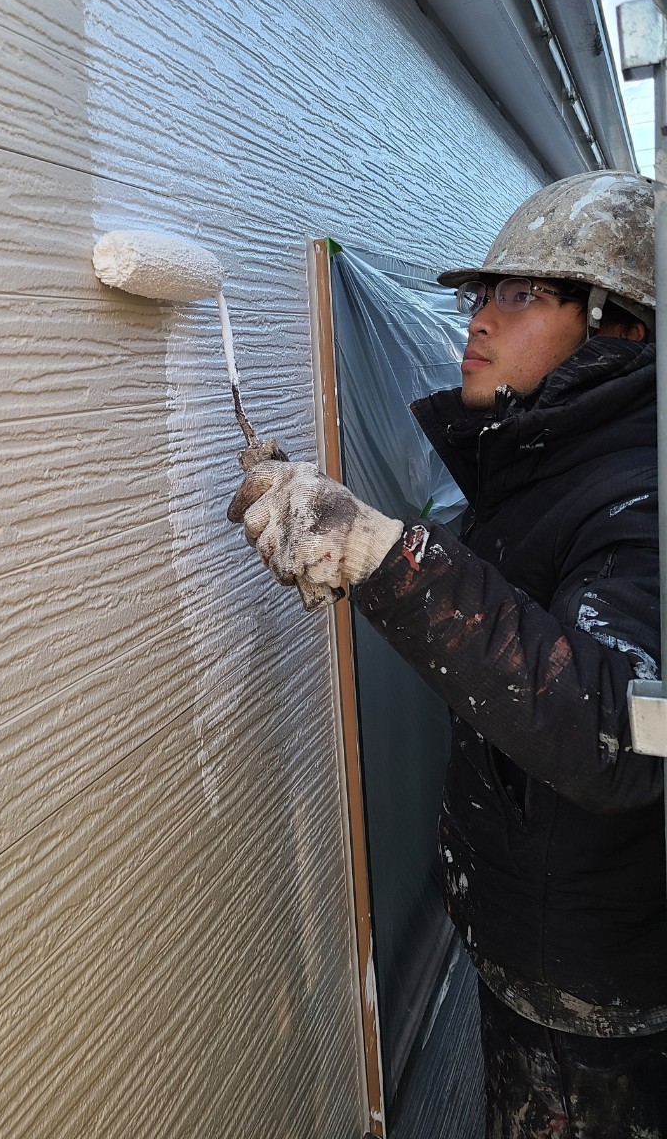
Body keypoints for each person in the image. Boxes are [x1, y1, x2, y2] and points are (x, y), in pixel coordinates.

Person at [228, 171, 667, 1137]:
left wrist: (377, 553)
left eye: (520, 295)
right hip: (541, 951)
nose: (479, 319)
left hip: (601, 1003)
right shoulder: (547, 461)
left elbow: (621, 728)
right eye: (479, 294)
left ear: (621, 331)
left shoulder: (641, 496)